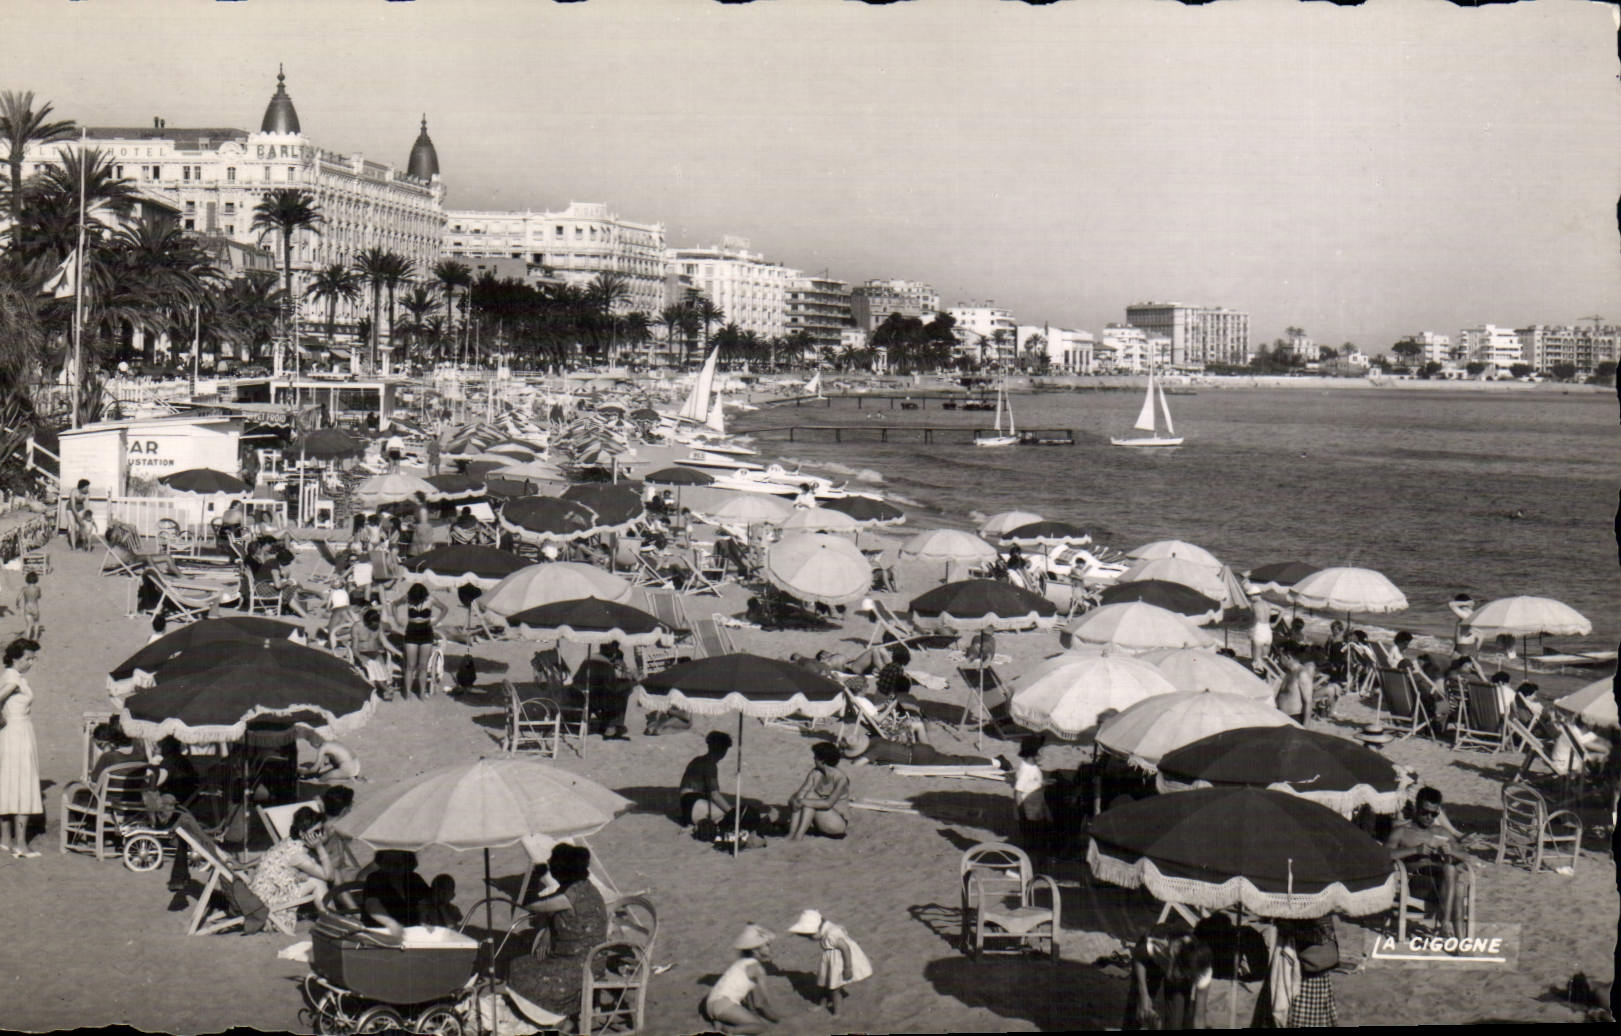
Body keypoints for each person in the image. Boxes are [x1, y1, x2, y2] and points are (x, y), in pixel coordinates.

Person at [505, 844, 609, 1020]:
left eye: (552, 861)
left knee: (519, 969)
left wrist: (534, 878)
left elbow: (533, 905)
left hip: (582, 964)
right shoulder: (580, 887)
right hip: (585, 958)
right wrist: (547, 930)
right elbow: (554, 912)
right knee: (522, 965)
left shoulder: (569, 895)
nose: (549, 863)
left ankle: (554, 1018)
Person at [1384, 787, 1473, 939]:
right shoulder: (1402, 832)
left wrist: (1451, 851)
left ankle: (1454, 934)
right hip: (1417, 884)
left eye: (1434, 814)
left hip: (1443, 884)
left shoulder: (1441, 832)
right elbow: (1384, 855)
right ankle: (1457, 937)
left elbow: (1467, 857)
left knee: (1455, 882)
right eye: (1425, 812)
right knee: (1454, 880)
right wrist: (1415, 850)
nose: (1429, 817)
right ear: (1416, 808)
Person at [249, 805, 336, 934]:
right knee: (319, 882)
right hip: (267, 904)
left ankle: (333, 918)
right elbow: (329, 876)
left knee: (313, 878)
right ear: (302, 833)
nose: (321, 835)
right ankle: (334, 921)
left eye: (321, 830)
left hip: (259, 897)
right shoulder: (298, 855)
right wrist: (319, 847)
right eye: (316, 832)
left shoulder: (288, 842)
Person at [0, 638, 43, 857]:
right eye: (28, 658)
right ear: (16, 658)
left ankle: (6, 839)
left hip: (9, 734)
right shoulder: (14, 680)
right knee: (23, 784)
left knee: (8, 782)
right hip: (19, 733)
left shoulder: (10, 675)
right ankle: (21, 844)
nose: (31, 662)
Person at [1124, 925, 1214, 1029]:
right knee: (1139, 1011)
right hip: (1149, 960)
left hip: (1178, 967)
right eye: (1190, 976)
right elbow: (1138, 956)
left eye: (1193, 978)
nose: (1193, 981)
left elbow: (1199, 1018)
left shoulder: (1204, 973)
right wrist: (1143, 994)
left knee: (1175, 1022)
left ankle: (1155, 1024)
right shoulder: (1163, 947)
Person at [1256, 916, 1339, 1027]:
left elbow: (1323, 936)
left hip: (1309, 971)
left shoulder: (1319, 911)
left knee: (1305, 1013)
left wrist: (1291, 929)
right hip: (1303, 964)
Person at [786, 909, 872, 1016]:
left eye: (811, 936)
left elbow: (845, 949)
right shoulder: (824, 930)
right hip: (830, 960)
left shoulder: (832, 934)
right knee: (824, 984)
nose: (810, 939)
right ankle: (822, 1004)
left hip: (840, 962)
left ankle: (837, 1013)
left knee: (834, 989)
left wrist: (847, 968)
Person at [703, 925, 781, 1035]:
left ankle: (721, 1022)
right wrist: (778, 1019)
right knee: (761, 1027)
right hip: (724, 1004)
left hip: (711, 1004)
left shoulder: (740, 963)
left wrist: (752, 1014)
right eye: (766, 945)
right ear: (755, 949)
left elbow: (749, 996)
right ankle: (728, 1030)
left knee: (752, 1021)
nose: (770, 947)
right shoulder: (757, 969)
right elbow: (763, 1003)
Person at [361, 849, 437, 938]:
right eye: (387, 863)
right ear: (380, 863)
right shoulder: (375, 878)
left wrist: (423, 921)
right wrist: (390, 923)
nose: (392, 868)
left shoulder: (414, 879)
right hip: (381, 932)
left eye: (398, 864)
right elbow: (372, 905)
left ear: (408, 863)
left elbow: (424, 904)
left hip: (411, 932)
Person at [391, 582, 446, 699]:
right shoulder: (407, 598)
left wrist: (436, 622)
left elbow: (444, 609)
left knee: (423, 665)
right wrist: (396, 619)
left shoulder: (430, 599)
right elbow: (394, 605)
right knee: (410, 665)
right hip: (412, 630)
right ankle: (408, 692)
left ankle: (421, 692)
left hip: (426, 630)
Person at [788, 741, 850, 841]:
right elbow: (802, 791)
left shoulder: (840, 778)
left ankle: (798, 836)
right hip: (821, 820)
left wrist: (802, 801)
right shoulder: (815, 773)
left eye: (815, 757)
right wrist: (795, 800)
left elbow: (828, 804)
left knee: (809, 797)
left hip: (837, 823)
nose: (813, 759)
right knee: (801, 797)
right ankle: (792, 833)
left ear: (823, 760)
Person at [679, 731, 735, 828]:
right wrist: (732, 812)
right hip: (695, 802)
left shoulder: (697, 760)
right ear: (723, 750)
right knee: (728, 816)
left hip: (685, 804)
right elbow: (715, 795)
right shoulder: (710, 765)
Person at [1008, 738, 1051, 860]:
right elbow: (1018, 793)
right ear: (1033, 753)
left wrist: (1042, 782)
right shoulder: (1025, 771)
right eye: (1041, 751)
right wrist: (1022, 815)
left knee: (1038, 837)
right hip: (1028, 811)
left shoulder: (1032, 767)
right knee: (1032, 840)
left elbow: (1031, 783)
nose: (1043, 754)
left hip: (1035, 807)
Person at [351, 608, 401, 699]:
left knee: (380, 667)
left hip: (375, 653)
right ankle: (386, 689)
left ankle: (385, 690)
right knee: (373, 665)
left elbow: (385, 643)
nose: (374, 628)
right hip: (362, 653)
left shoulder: (379, 626)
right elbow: (354, 648)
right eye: (371, 625)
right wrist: (359, 658)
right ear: (366, 622)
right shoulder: (357, 627)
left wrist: (399, 653)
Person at [295, 724, 361, 781]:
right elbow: (325, 764)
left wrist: (302, 772)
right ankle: (348, 776)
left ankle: (347, 778)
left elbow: (314, 769)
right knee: (328, 770)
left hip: (348, 768)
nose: (313, 746)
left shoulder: (323, 747)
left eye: (311, 744)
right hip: (356, 764)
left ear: (315, 742)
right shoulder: (331, 742)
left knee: (322, 779)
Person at [1274, 650, 1314, 727]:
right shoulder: (1288, 673)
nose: (1278, 658)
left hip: (1294, 719)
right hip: (1281, 718)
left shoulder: (1302, 674)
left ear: (1288, 656)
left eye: (1280, 656)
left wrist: (1305, 727)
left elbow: (1308, 702)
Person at [67, 479, 94, 551]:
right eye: (86, 487)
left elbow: (87, 506)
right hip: (70, 509)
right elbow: (73, 506)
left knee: (82, 525)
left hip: (80, 508)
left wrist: (86, 516)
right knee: (73, 526)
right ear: (81, 487)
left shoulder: (87, 494)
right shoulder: (74, 492)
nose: (87, 489)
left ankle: (83, 543)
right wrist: (78, 517)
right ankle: (73, 546)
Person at [17, 571, 41, 641]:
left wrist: (17, 604)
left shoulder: (24, 589)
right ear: (36, 579)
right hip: (35, 607)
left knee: (28, 625)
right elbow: (39, 596)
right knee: (36, 622)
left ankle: (27, 638)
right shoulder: (37, 589)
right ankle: (35, 638)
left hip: (27, 607)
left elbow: (18, 598)